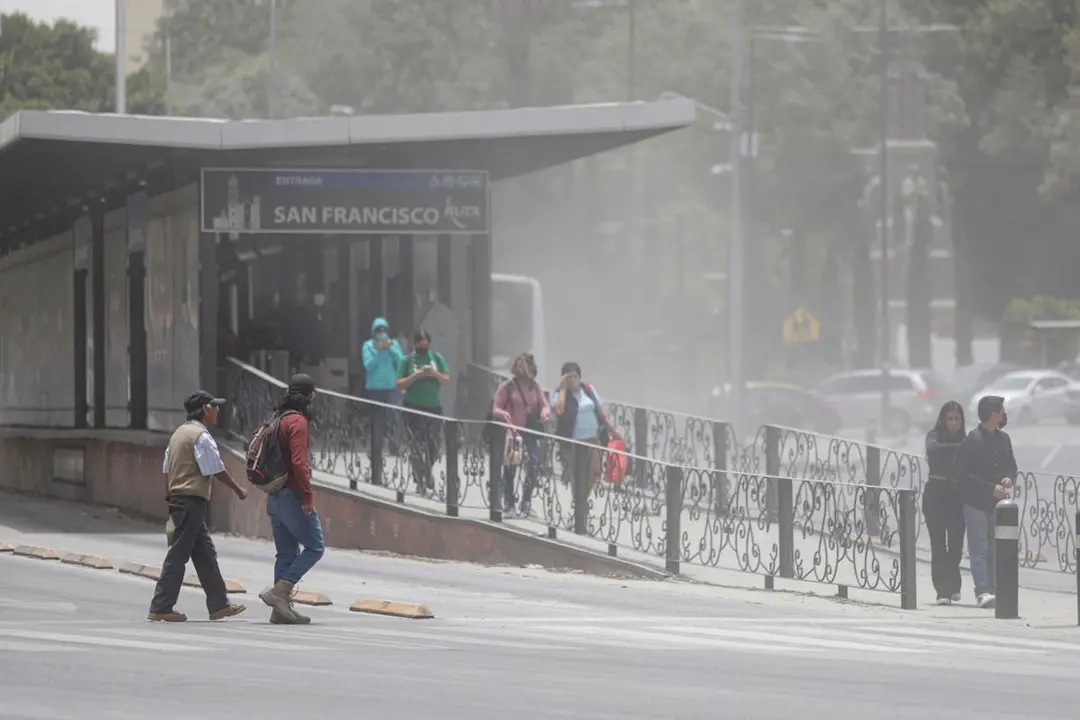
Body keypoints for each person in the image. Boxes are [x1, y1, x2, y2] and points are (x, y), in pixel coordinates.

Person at [148, 391, 248, 623]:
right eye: (215, 407)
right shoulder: (200, 436)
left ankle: (219, 605)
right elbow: (214, 468)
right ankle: (161, 606)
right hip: (190, 501)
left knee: (205, 554)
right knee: (178, 555)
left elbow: (166, 468)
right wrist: (237, 489)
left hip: (182, 501)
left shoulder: (178, 434)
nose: (218, 411)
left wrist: (169, 495)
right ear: (205, 409)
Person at [259, 373, 326, 625]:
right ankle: (280, 592)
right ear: (309, 396)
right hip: (292, 495)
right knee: (315, 547)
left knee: (286, 553)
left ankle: (280, 611)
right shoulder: (297, 422)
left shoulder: (277, 419)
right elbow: (299, 463)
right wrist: (308, 495)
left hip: (274, 496)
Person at [955, 395, 1016, 609]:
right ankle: (982, 591)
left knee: (994, 548)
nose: (1003, 414)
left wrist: (1009, 478)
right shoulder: (972, 440)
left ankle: (994, 587)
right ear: (992, 414)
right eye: (1001, 410)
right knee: (979, 548)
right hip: (976, 503)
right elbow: (964, 474)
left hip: (997, 505)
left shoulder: (1004, 439)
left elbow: (1011, 465)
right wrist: (991, 488)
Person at [493, 352, 551, 517]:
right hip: (513, 432)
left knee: (533, 464)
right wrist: (503, 414)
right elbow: (496, 407)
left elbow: (545, 405)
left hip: (530, 431)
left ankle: (526, 502)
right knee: (511, 466)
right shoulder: (507, 387)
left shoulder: (535, 386)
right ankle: (509, 504)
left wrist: (545, 413)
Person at [396, 330, 451, 496]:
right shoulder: (406, 360)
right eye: (420, 342)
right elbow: (400, 384)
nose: (423, 345)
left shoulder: (437, 358)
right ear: (415, 344)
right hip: (413, 407)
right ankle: (421, 479)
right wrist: (415, 376)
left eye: (426, 342)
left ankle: (426, 471)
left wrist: (434, 374)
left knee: (434, 446)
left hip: (433, 407)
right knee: (416, 446)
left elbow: (446, 380)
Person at [924, 401, 967, 605]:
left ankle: (954, 584)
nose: (953, 423)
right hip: (935, 494)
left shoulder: (966, 439)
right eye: (949, 419)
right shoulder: (934, 435)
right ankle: (942, 590)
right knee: (938, 545)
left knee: (956, 545)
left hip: (957, 496)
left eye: (957, 419)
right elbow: (933, 449)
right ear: (943, 420)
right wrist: (960, 449)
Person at [551, 361, 613, 499]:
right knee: (577, 474)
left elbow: (600, 411)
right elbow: (559, 410)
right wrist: (562, 388)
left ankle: (582, 499)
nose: (573, 380)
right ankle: (579, 507)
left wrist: (612, 430)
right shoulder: (559, 394)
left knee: (595, 471)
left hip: (592, 439)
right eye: (569, 377)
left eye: (575, 377)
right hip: (572, 442)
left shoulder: (588, 389)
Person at [362, 317, 405, 450]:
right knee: (377, 418)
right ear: (373, 332)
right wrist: (379, 352)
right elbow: (368, 365)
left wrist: (390, 348)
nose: (381, 332)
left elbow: (401, 361)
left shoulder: (393, 344)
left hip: (391, 387)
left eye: (384, 330)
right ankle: (377, 446)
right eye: (378, 330)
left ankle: (394, 445)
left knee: (394, 416)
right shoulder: (368, 346)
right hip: (375, 388)